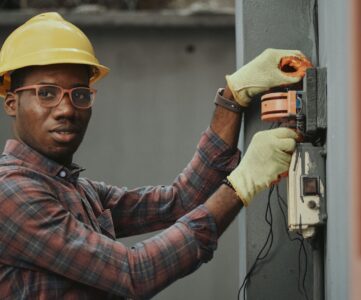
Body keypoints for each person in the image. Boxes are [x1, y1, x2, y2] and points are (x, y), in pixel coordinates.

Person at [0, 12, 310, 299]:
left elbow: (178, 202)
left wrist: (234, 95)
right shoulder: (11, 193)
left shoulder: (77, 191)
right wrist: (242, 185)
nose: (66, 109)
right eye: (47, 93)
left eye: (79, 94)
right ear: (12, 103)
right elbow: (133, 273)